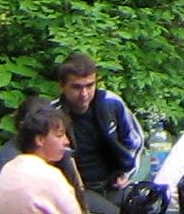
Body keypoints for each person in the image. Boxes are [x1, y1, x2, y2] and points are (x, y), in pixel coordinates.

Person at [53, 55, 145, 214]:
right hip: (79, 188)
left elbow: (135, 140)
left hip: (114, 183)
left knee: (151, 202)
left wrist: (126, 173)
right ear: (62, 86)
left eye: (89, 86)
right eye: (76, 87)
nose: (84, 94)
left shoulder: (111, 103)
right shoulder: (52, 115)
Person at [0, 100, 88, 214]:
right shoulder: (51, 177)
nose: (66, 141)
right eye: (59, 135)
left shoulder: (8, 168)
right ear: (40, 140)